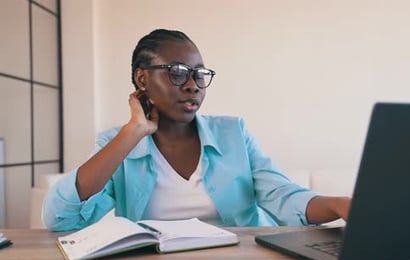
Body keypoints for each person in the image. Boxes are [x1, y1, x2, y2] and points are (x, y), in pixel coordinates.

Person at [42, 29, 351, 231]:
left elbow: (284, 198)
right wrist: (133, 132)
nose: (192, 85)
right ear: (142, 79)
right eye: (177, 73)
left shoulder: (234, 133)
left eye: (199, 74)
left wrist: (339, 204)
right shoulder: (118, 144)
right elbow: (60, 218)